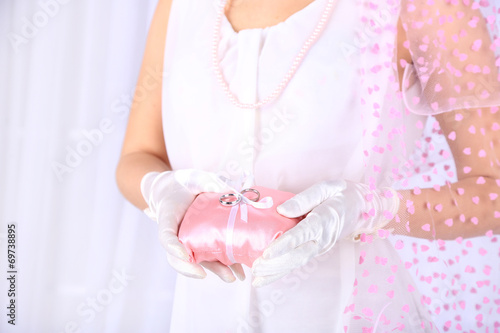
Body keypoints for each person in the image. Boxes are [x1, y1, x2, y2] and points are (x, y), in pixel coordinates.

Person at [116, 0, 500, 331]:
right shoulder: (179, 7)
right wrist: (162, 191)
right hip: (200, 316)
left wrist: (371, 209)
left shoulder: (427, 8)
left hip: (353, 317)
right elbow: (138, 156)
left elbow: (493, 192)